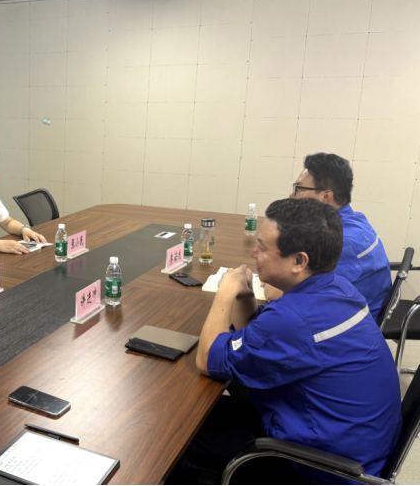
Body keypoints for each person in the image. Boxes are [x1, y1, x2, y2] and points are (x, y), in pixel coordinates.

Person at [170, 198, 402, 485]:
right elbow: (258, 335)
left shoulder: (294, 320)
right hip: (348, 442)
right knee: (198, 413)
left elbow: (206, 360)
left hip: (318, 469)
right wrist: (245, 295)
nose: (253, 253)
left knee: (176, 435)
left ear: (299, 261)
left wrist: (225, 291)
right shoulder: (336, 288)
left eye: (263, 248)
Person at [265, 153, 391, 323]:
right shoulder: (355, 219)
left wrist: (270, 278)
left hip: (349, 325)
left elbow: (277, 295)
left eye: (299, 189)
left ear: (326, 196)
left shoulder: (341, 242)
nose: (292, 195)